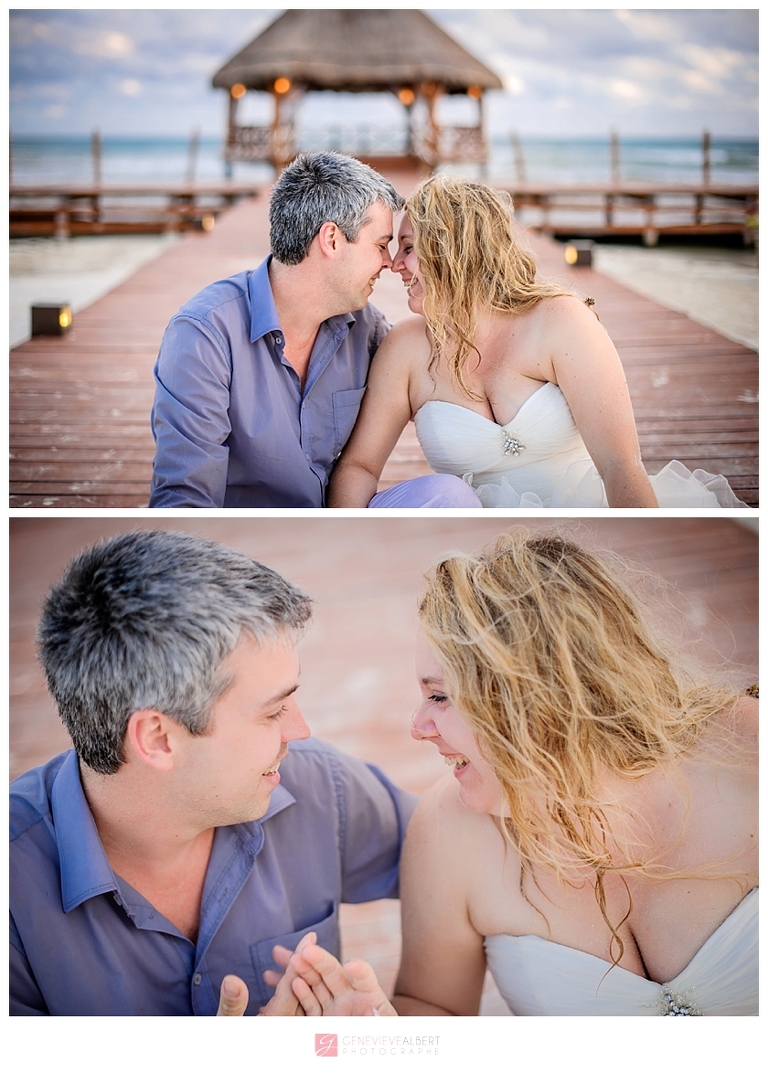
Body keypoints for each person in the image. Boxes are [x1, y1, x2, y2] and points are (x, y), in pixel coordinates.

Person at [281, 531, 758, 1016]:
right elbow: (433, 1005)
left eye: (440, 696)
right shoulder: (449, 829)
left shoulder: (748, 750)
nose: (418, 727)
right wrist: (385, 1032)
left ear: (537, 698)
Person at [9, 529, 416, 1016]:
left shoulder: (316, 784)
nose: (301, 729)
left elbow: (475, 847)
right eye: (272, 712)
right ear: (158, 739)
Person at [328, 175, 747, 508]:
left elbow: (620, 467)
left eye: (408, 248)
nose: (394, 264)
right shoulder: (405, 348)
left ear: (452, 251)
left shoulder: (560, 321)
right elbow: (360, 467)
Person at [149, 152, 479, 509]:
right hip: (243, 533)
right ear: (332, 240)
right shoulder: (204, 336)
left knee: (447, 496)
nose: (390, 262)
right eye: (382, 245)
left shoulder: (366, 330)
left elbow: (445, 388)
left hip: (337, 523)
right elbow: (186, 500)